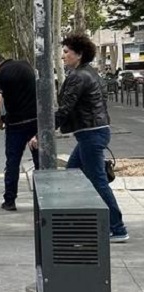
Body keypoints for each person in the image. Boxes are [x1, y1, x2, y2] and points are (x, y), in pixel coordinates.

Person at [56, 33, 129, 243]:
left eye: (66, 52)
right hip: (94, 131)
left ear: (78, 55)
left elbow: (65, 108)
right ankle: (80, 221)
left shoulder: (79, 76)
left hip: (90, 134)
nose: (63, 56)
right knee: (71, 174)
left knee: (98, 181)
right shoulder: (91, 73)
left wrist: (42, 133)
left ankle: (118, 228)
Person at [0, 53, 40, 211]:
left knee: (12, 163)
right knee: (39, 162)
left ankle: (10, 201)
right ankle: (43, 199)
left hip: (15, 124)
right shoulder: (26, 65)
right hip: (35, 121)